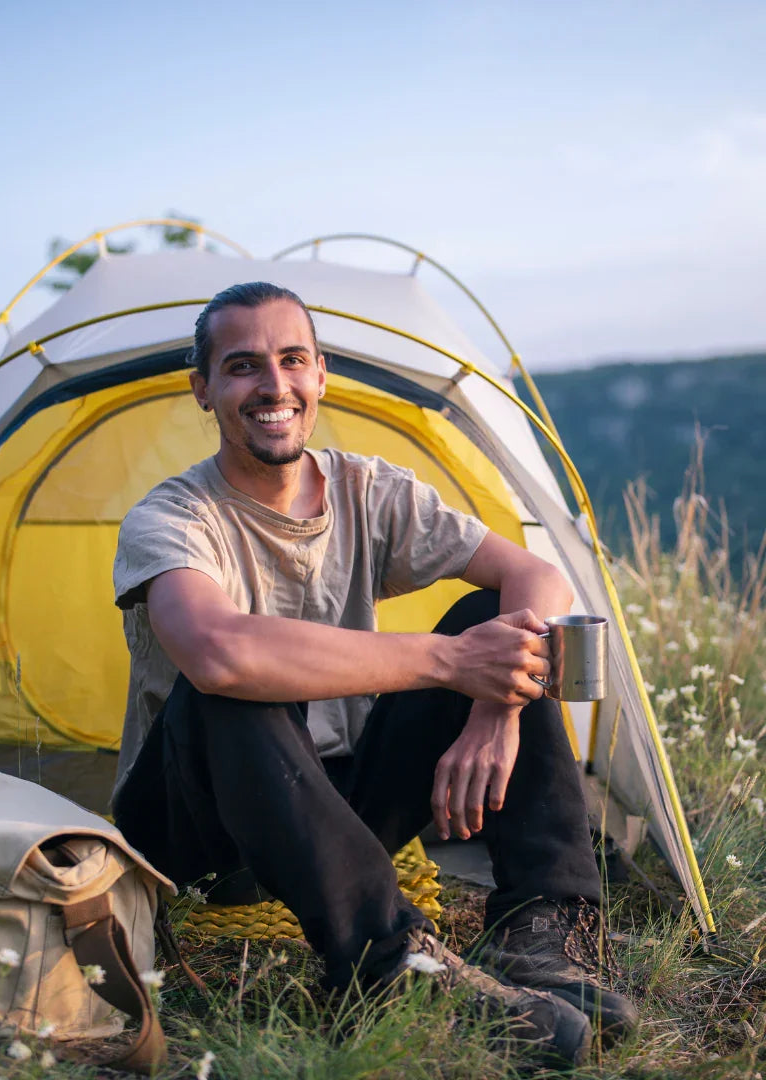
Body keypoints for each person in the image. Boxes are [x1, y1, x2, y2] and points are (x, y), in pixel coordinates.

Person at [111, 282, 636, 1059]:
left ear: (321, 374)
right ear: (203, 388)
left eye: (293, 360)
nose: (274, 386)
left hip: (339, 806)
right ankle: (391, 962)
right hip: (201, 831)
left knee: (494, 614)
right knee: (234, 682)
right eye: (243, 366)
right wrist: (454, 662)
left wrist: (493, 708)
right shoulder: (173, 517)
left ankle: (545, 926)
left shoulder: (366, 489)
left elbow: (537, 575)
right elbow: (218, 652)